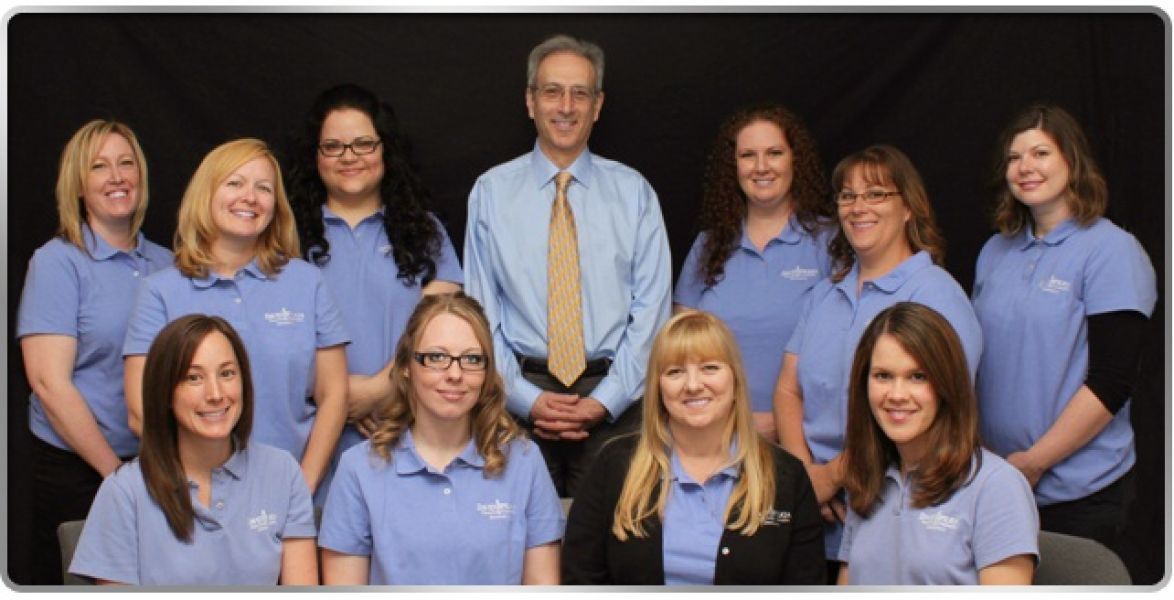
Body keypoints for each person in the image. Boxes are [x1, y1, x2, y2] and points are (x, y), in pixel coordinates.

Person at [464, 33, 672, 498]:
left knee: (614, 538)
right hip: (514, 401)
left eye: (580, 93)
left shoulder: (635, 193)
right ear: (530, 101)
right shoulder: (490, 194)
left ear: (597, 106)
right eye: (552, 91)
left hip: (618, 399)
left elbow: (653, 313)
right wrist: (525, 398)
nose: (565, 106)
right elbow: (479, 314)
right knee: (514, 535)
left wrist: (605, 400)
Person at [772, 144, 982, 574]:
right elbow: (788, 389)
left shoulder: (936, 295)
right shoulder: (824, 294)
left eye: (875, 194)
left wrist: (834, 476)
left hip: (894, 512)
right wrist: (806, 477)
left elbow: (933, 411)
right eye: (847, 196)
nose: (858, 207)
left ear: (909, 207)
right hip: (814, 517)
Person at [972, 103, 1156, 552]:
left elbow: (1112, 381)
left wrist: (1035, 462)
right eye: (1014, 157)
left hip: (1080, 494)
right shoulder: (994, 252)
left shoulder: (1112, 251)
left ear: (1072, 161)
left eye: (1041, 153)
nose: (1025, 167)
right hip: (998, 484)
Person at [123, 138, 350, 502]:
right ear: (206, 194)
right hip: (194, 498)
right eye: (235, 183)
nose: (250, 197)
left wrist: (302, 486)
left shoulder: (307, 282)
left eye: (264, 188)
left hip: (292, 491)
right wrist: (197, 490)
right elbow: (140, 412)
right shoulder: (160, 291)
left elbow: (334, 394)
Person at [16, 119, 173, 584]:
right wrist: (116, 474)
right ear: (79, 184)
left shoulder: (167, 264)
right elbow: (48, 383)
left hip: (157, 465)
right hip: (78, 471)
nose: (117, 176)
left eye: (126, 163)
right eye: (100, 166)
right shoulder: (58, 262)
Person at [561, 310, 825, 585]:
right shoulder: (615, 466)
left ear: (735, 379)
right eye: (675, 372)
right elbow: (581, 579)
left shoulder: (786, 476)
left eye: (709, 368)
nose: (693, 385)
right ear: (658, 387)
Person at [318, 292, 563, 585]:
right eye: (436, 357)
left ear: (487, 372)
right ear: (405, 366)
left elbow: (542, 588)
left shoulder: (524, 462)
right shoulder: (359, 469)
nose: (455, 374)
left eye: (472, 359)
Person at [287, 83, 463, 490]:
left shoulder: (425, 232)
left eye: (363, 144)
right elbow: (270, 333)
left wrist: (381, 389)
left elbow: (445, 329)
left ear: (386, 150)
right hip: (310, 442)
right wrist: (337, 396)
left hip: (407, 430)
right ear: (315, 156)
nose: (349, 157)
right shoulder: (284, 236)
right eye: (333, 146)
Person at [70, 315, 317, 585]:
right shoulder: (124, 491)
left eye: (227, 373)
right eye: (194, 378)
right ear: (165, 392)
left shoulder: (282, 472)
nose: (215, 394)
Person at [837, 302, 1037, 585]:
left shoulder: (997, 486)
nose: (897, 394)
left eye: (917, 377)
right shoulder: (868, 478)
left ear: (946, 385)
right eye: (883, 376)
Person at [674, 103, 833, 440]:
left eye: (774, 153)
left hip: (807, 441)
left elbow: (848, 352)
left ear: (795, 159)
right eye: (748, 155)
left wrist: (783, 421)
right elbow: (680, 351)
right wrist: (732, 421)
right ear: (733, 166)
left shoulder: (829, 242)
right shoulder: (708, 246)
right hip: (717, 438)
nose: (761, 167)